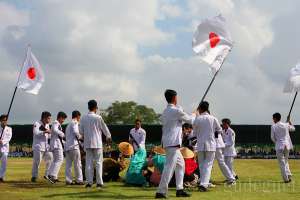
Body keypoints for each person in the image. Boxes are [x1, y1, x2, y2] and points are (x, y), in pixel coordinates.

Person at [155, 89, 194, 199]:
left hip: (169, 143)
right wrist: (194, 114)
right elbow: (190, 120)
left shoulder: (166, 111)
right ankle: (161, 192)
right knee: (169, 167)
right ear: (174, 98)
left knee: (181, 165)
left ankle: (180, 189)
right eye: (176, 97)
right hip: (172, 143)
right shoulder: (176, 111)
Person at [80, 100, 112, 188]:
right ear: (95, 107)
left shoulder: (83, 118)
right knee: (98, 163)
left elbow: (80, 131)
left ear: (88, 107)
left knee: (88, 163)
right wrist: (108, 136)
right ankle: (99, 183)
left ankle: (89, 182)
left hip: (87, 143)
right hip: (97, 143)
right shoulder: (98, 117)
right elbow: (104, 128)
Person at [193, 101, 222, 192]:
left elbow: (194, 132)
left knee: (202, 164)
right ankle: (203, 184)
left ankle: (202, 182)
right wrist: (214, 134)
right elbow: (219, 130)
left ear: (200, 109)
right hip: (210, 144)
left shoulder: (197, 119)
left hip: (201, 144)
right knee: (208, 164)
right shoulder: (213, 118)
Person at [271, 113, 295, 183]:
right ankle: (289, 174)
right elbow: (293, 129)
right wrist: (289, 121)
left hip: (279, 146)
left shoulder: (273, 126)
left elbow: (272, 137)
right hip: (287, 145)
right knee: (286, 161)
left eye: (273, 118)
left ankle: (286, 179)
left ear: (275, 118)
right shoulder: (286, 125)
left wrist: (277, 142)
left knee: (281, 163)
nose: (272, 120)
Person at [31, 111, 53, 182]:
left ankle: (47, 174)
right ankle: (34, 176)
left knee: (50, 158)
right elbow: (36, 132)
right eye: (48, 119)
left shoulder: (47, 125)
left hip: (46, 146)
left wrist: (51, 134)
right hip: (38, 146)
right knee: (37, 162)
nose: (49, 120)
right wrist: (45, 132)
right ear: (44, 118)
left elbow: (48, 136)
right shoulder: (37, 123)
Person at [47, 111, 68, 183]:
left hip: (56, 144)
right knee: (60, 159)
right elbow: (55, 130)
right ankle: (52, 175)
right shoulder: (56, 123)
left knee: (56, 160)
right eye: (63, 119)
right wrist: (63, 134)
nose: (63, 121)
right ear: (60, 117)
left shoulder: (57, 124)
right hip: (56, 144)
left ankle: (51, 175)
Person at [65, 110, 84, 185]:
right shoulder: (75, 122)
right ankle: (79, 180)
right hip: (74, 146)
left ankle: (68, 180)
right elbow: (76, 132)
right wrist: (81, 137)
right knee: (78, 164)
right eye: (80, 117)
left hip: (68, 147)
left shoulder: (68, 124)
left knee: (68, 165)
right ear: (78, 116)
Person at [0, 115, 12, 182]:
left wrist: (2, 141)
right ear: (0, 121)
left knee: (4, 163)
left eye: (6, 120)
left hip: (5, 148)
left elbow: (9, 138)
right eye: (3, 120)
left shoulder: (9, 129)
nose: (5, 122)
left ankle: (1, 177)